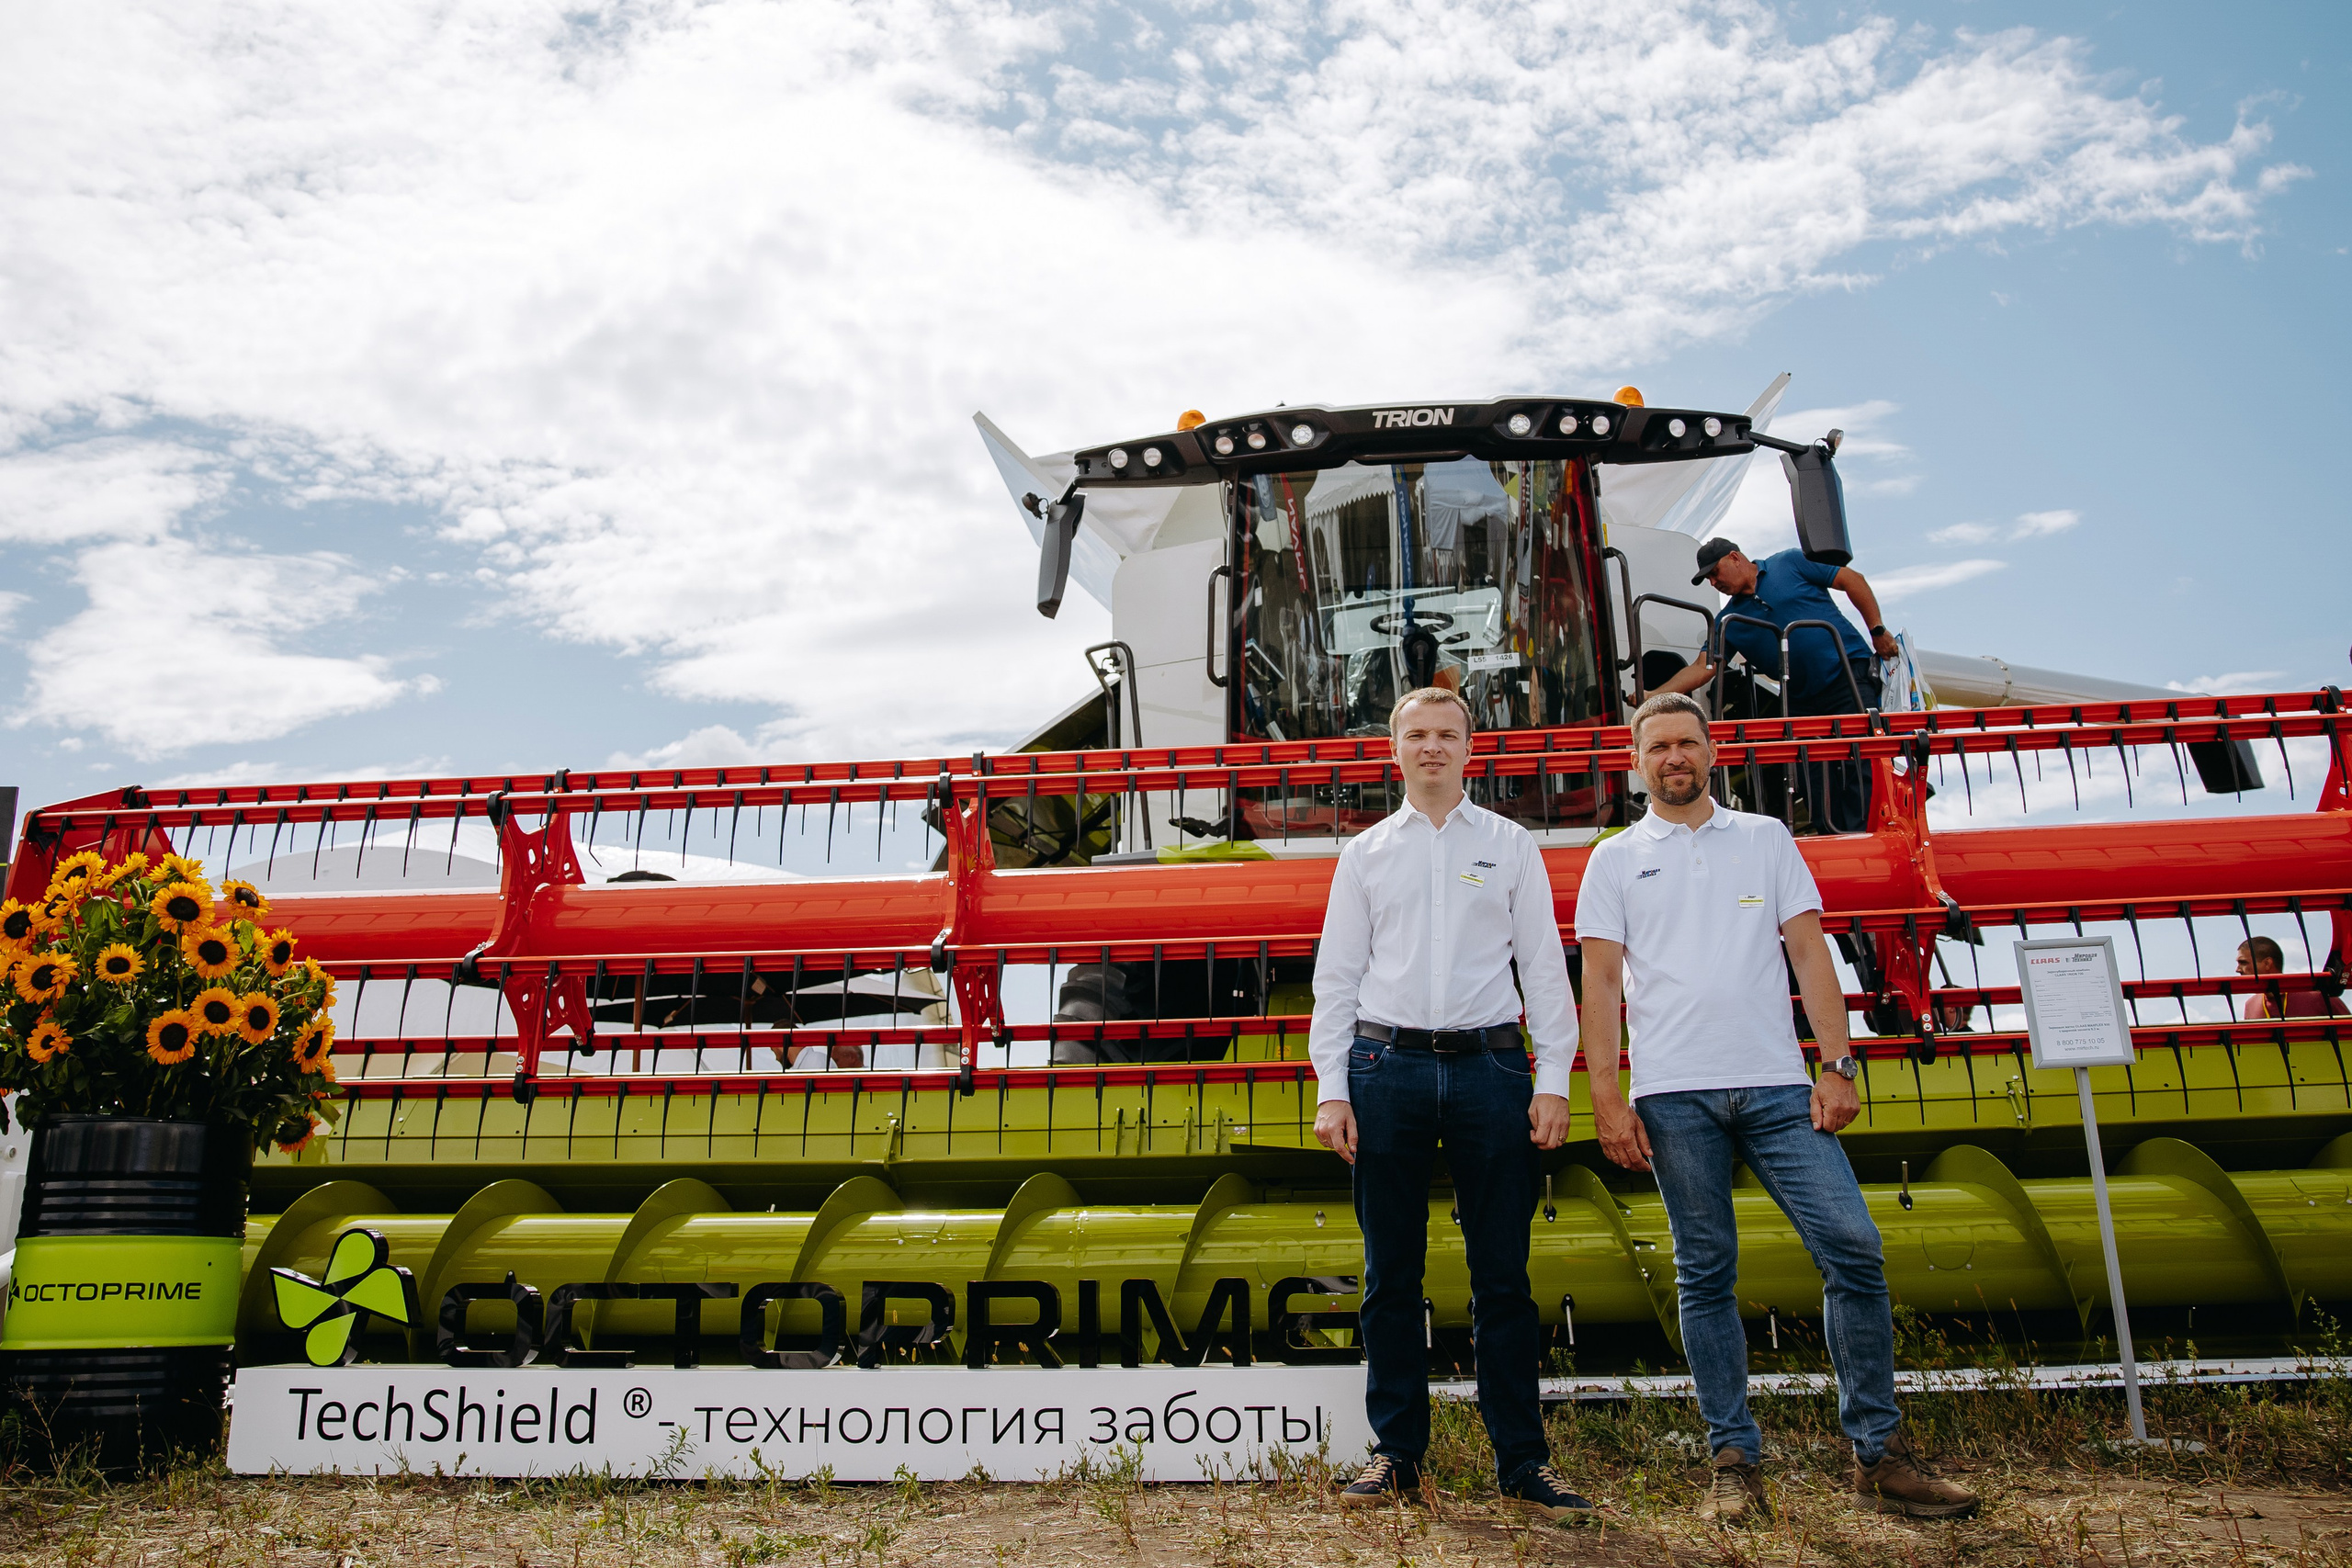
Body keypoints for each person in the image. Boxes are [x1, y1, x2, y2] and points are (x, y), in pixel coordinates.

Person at [1576, 692, 1980, 1526]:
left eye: (1688, 742)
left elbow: (1808, 952)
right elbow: (1604, 982)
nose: (1674, 757)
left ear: (1712, 752)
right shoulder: (1613, 859)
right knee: (1705, 1271)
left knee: (1853, 1245)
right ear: (1636, 761)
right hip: (1672, 1092)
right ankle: (1733, 1458)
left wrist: (1836, 1065)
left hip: (1776, 1084)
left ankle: (1879, 1452)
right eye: (1659, 747)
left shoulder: (1765, 839)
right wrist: (1608, 1097)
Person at [1309, 686, 1594, 1524]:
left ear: (1473, 748)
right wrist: (1333, 1089)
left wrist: (1552, 1081)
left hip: (1489, 1070)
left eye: (1447, 735)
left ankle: (1523, 1461)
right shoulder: (1364, 855)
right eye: (1416, 735)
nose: (1431, 747)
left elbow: (1545, 973)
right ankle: (1398, 1454)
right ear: (1393, 750)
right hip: (1385, 1066)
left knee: (1502, 1274)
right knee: (1388, 1273)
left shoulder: (1511, 847)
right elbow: (1337, 980)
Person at [1693, 539, 1895, 833]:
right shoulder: (1729, 621)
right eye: (1708, 579)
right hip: (1801, 700)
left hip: (1848, 679)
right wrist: (1654, 695)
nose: (1713, 582)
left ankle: (1872, 833)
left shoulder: (1788, 564)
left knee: (1862, 763)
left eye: (1715, 572)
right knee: (1812, 775)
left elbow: (1852, 580)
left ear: (1735, 557)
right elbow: (1703, 667)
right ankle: (1833, 840)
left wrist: (1877, 630)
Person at [2237, 936, 2348, 1021]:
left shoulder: (2318, 996)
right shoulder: (2250, 1005)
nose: (2238, 969)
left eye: (2243, 963)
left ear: (2267, 963)